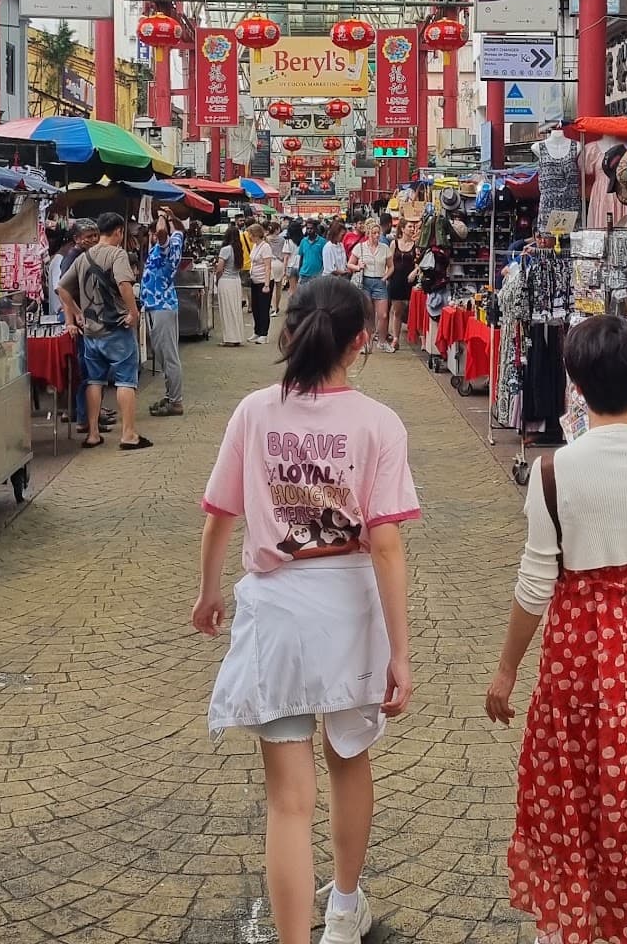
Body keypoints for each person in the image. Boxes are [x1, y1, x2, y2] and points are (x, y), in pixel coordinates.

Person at [193, 277, 420, 944]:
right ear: (360, 340)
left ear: (288, 330)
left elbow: (218, 517)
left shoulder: (255, 412)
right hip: (350, 608)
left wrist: (208, 593)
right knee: (350, 758)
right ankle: (344, 912)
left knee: (288, 802)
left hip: (278, 613)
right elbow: (385, 543)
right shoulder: (378, 423)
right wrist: (401, 653)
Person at [486, 314, 627, 944]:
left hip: (579, 653)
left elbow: (536, 585)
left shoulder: (555, 472)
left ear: (576, 384)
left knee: (575, 789)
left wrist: (506, 670)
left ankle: (576, 922)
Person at [59, 212, 149, 451]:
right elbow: (124, 284)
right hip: (116, 328)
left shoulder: (83, 257)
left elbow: (61, 288)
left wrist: (78, 313)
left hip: (91, 332)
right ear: (118, 231)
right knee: (126, 381)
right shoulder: (117, 254)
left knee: (94, 381)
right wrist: (133, 312)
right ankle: (128, 434)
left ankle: (93, 434)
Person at [142, 213, 186, 419]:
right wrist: (171, 217)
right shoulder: (176, 241)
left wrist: (161, 217)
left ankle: (175, 401)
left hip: (161, 306)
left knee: (168, 356)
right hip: (161, 305)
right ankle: (171, 396)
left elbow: (161, 232)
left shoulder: (164, 248)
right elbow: (179, 230)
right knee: (164, 355)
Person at [350, 220, 395, 354]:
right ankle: (367, 343)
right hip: (365, 282)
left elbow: (391, 266)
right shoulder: (360, 247)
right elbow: (350, 264)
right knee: (368, 315)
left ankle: (381, 341)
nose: (376, 235)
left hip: (380, 282)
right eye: (374, 233)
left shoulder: (384, 248)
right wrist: (358, 266)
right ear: (368, 234)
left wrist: (386, 276)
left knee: (383, 314)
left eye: (378, 233)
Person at [385, 223, 419, 352]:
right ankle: (395, 338)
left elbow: (420, 262)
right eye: (409, 227)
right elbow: (389, 262)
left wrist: (415, 272)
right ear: (403, 229)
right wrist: (386, 276)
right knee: (397, 310)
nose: (412, 229)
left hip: (410, 280)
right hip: (396, 280)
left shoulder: (416, 246)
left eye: (413, 227)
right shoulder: (394, 244)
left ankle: (416, 336)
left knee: (412, 310)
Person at [215, 225, 248, 347]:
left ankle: (229, 338)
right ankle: (237, 336)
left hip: (226, 281)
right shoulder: (239, 249)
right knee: (235, 310)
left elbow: (219, 268)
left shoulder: (225, 250)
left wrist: (217, 280)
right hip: (236, 281)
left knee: (226, 310)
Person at [248, 222, 276, 345]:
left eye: (251, 234)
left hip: (264, 281)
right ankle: (257, 331)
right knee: (255, 307)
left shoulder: (265, 247)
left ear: (256, 235)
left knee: (263, 308)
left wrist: (266, 284)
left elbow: (267, 266)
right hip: (254, 280)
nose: (249, 236)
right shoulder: (255, 246)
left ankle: (264, 334)